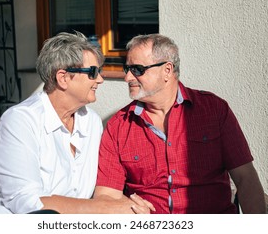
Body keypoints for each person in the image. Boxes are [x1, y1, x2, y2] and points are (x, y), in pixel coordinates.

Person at [0, 31, 153, 214]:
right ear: (63, 78)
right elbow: (26, 202)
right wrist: (105, 209)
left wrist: (130, 205)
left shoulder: (91, 122)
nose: (100, 79)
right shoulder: (21, 121)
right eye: (93, 72)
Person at [94, 33, 267, 214]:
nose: (128, 77)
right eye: (126, 68)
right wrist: (127, 205)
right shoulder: (119, 125)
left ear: (167, 70)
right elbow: (106, 195)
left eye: (137, 69)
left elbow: (245, 178)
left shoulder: (214, 110)